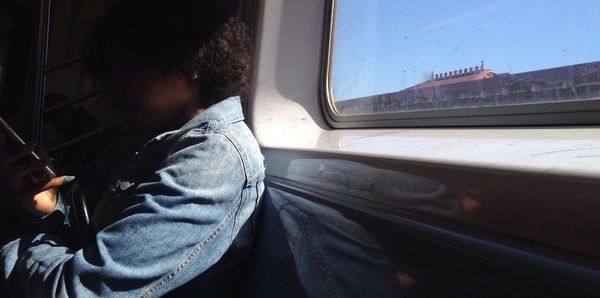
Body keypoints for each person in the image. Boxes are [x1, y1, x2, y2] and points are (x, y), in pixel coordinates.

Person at [0, 0, 265, 296]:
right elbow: (99, 241)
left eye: (130, 68)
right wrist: (49, 211)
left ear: (192, 61)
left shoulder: (213, 156)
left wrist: (11, 250)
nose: (114, 87)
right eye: (111, 73)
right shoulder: (148, 135)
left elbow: (79, 289)